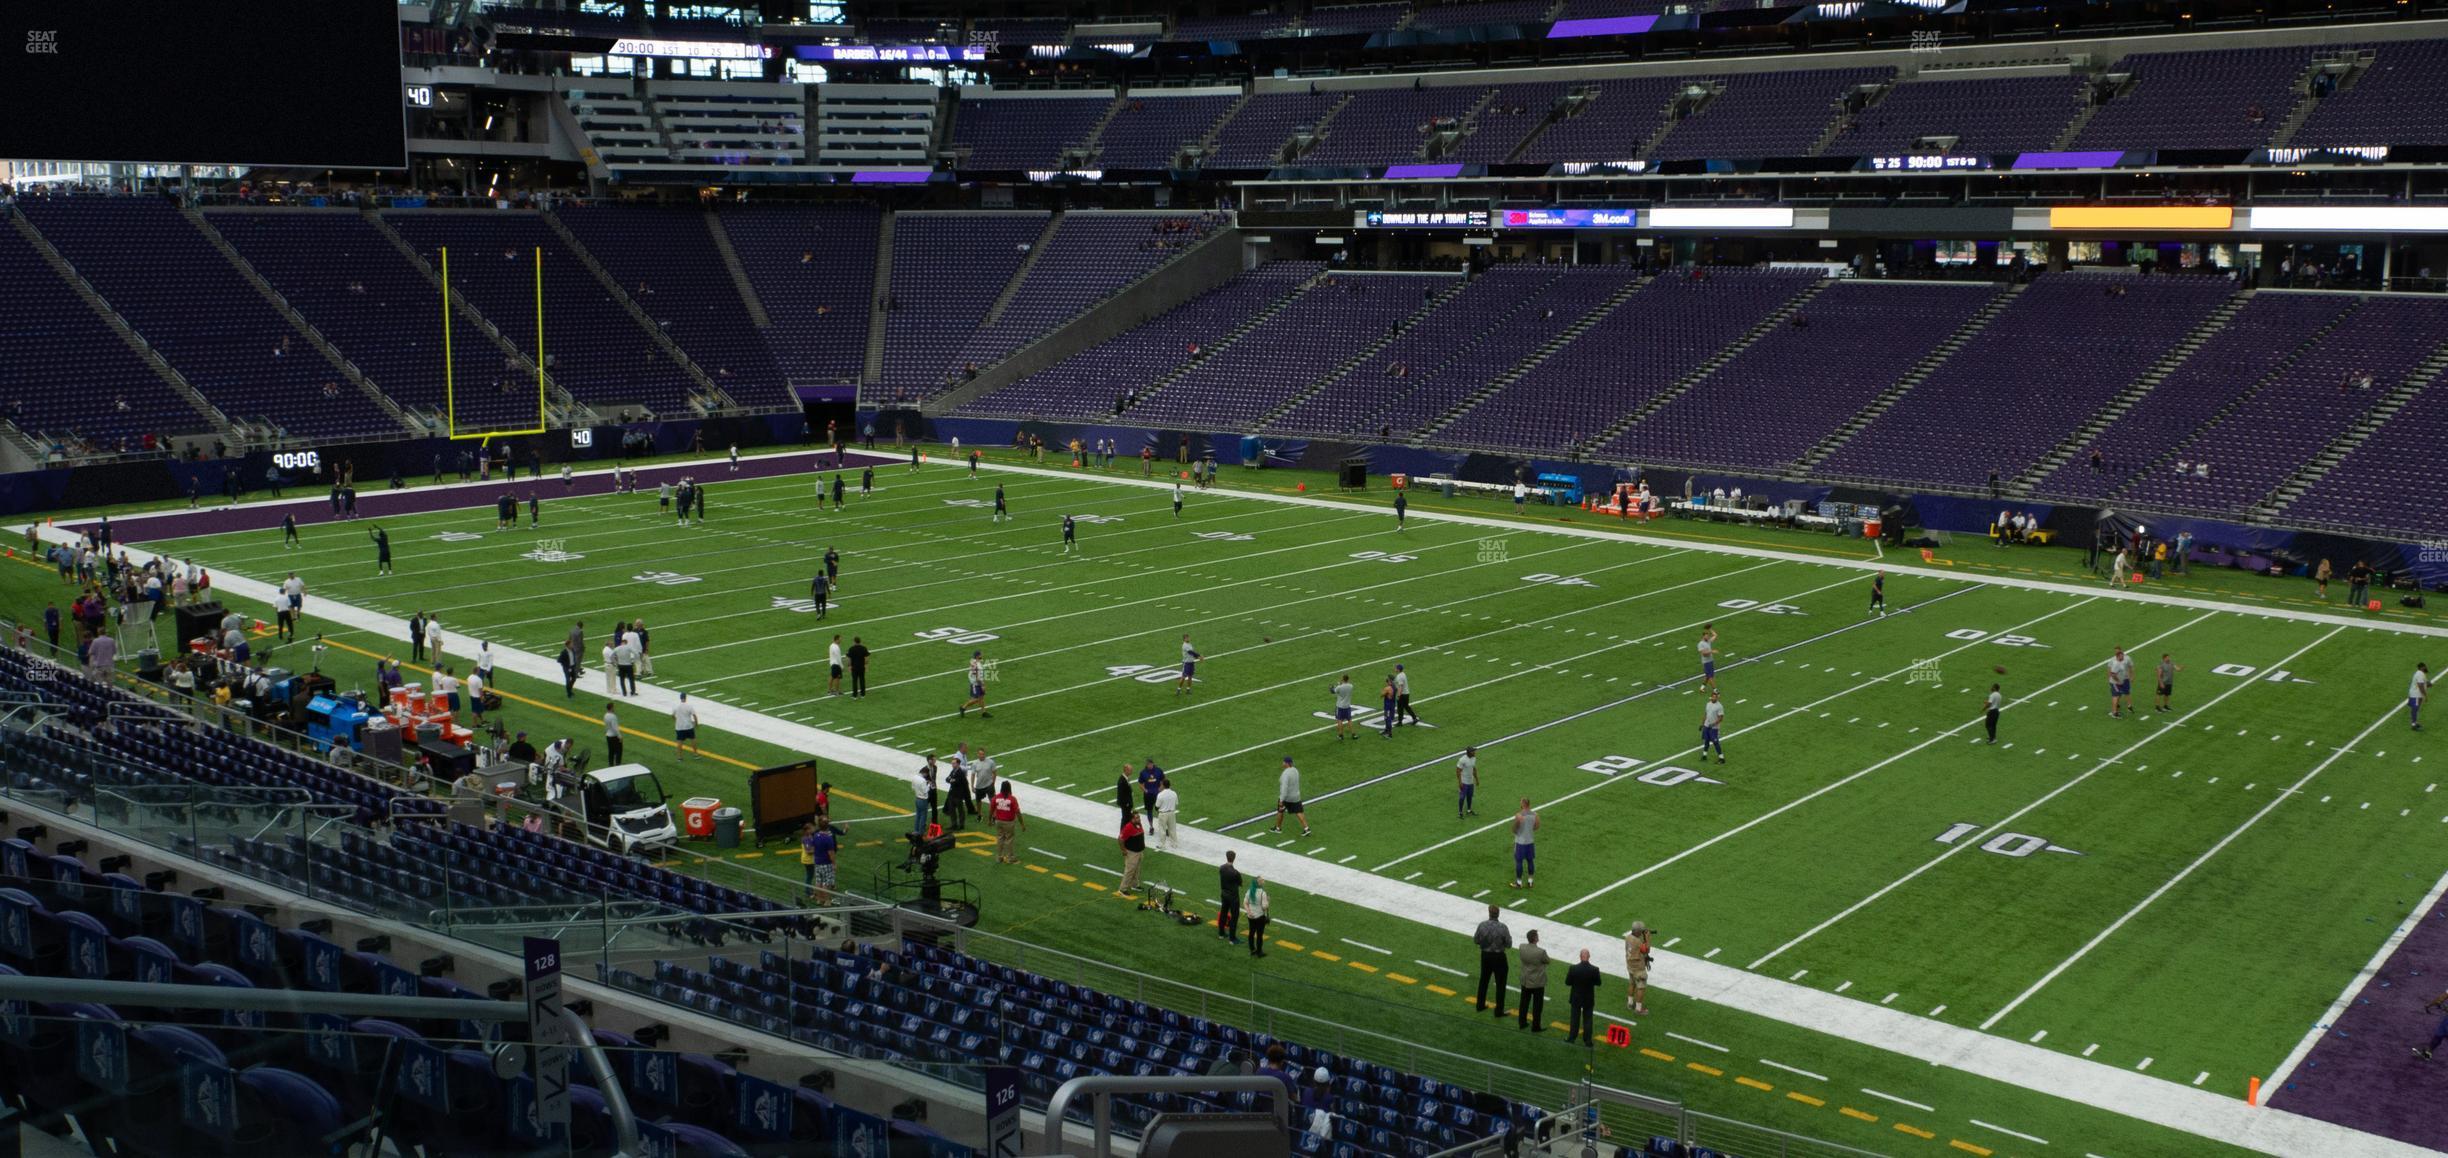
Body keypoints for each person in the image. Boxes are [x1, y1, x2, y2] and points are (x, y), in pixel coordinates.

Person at [1473, 904, 1512, 1016]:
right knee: (1500, 984)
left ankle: (1480, 1005)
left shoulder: (1482, 925)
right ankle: (1499, 1010)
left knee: (1483, 981)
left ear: (1489, 913)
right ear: (1498, 914)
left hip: (1485, 956)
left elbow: (1476, 940)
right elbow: (1509, 944)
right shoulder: (1503, 927)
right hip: (1499, 957)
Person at [1563, 950, 1603, 1044]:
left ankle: (1572, 1038)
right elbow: (1598, 983)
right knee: (1588, 1020)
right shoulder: (1594, 969)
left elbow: (1567, 982)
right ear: (1589, 956)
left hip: (1576, 998)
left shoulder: (1573, 968)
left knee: (1574, 1019)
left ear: (1580, 956)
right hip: (1588, 998)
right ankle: (1588, 1040)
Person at [1516, 930, 1550, 1031]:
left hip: (1525, 980)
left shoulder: (1522, 947)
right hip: (1537, 982)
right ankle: (1536, 1026)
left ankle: (1522, 1022)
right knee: (1537, 1006)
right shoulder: (1541, 952)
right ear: (1535, 938)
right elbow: (1548, 961)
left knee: (1524, 1003)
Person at [801, 821, 837, 903]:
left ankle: (819, 899)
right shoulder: (807, 838)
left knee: (818, 880)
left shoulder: (814, 836)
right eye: (812, 828)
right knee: (821, 880)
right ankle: (826, 900)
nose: (814, 829)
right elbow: (808, 851)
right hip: (810, 861)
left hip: (816, 861)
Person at [1273, 756, 1310, 836]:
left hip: (1287, 797)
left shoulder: (1286, 773)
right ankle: (1306, 828)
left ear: (1286, 763)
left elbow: (1284, 787)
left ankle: (1278, 828)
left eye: (1283, 762)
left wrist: (1281, 800)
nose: (1282, 763)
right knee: (1299, 812)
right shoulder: (1295, 770)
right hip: (1296, 795)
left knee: (1280, 810)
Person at [989, 781, 1024, 862]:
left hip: (998, 821)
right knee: (1009, 839)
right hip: (1009, 822)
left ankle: (999, 857)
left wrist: (989, 820)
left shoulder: (996, 797)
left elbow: (991, 809)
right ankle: (1009, 857)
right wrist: (1022, 824)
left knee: (1000, 838)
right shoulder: (1012, 799)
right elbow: (1017, 812)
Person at [1510, 798, 1539, 889]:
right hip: (1530, 841)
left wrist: (1517, 824)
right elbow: (1537, 826)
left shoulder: (1519, 815)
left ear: (1523, 804)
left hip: (1520, 842)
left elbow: (1514, 829)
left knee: (1519, 862)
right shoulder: (1535, 815)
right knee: (1530, 861)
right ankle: (1530, 881)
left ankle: (1519, 883)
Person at [1624, 922, 1652, 1014]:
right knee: (1641, 987)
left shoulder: (1628, 937)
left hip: (1630, 965)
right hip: (1638, 968)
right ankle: (1638, 1009)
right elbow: (1646, 950)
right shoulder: (1637, 941)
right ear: (1638, 931)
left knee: (1632, 984)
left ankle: (1630, 1003)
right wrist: (1648, 938)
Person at [1118, 810, 1146, 896]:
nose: (1139, 818)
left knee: (1137, 870)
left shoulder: (1138, 824)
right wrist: (1123, 850)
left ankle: (1134, 885)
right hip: (1132, 853)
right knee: (1129, 871)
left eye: (1139, 817)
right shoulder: (1128, 827)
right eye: (1137, 817)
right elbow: (1120, 839)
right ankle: (1122, 889)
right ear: (1132, 819)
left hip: (1139, 852)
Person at [1217, 850, 1243, 942]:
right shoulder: (1235, 873)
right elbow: (1240, 883)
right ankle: (1232, 938)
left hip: (1224, 894)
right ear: (1234, 859)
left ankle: (1221, 933)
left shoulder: (1222, 868)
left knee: (1223, 913)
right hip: (1233, 897)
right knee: (1234, 916)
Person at [1244, 875, 1270, 957]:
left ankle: (1252, 949)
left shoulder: (1249, 891)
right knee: (1259, 935)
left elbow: (1245, 903)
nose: (1263, 881)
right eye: (1262, 880)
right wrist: (1268, 901)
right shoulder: (1263, 893)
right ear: (1259, 883)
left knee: (1251, 933)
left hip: (1250, 916)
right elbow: (1264, 906)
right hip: (1259, 916)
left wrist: (1249, 912)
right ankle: (1259, 952)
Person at [960, 650, 991, 718]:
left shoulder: (975, 662)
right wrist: (982, 685)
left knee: (981, 698)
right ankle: (963, 707)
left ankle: (984, 712)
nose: (982, 655)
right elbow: (977, 677)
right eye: (980, 655)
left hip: (977, 681)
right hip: (976, 683)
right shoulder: (976, 664)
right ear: (977, 656)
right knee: (976, 699)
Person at [2107, 647, 2134, 719]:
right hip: (2115, 683)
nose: (2123, 656)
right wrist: (2118, 681)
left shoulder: (2121, 662)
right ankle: (2114, 712)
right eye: (2121, 655)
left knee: (2118, 696)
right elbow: (2112, 674)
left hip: (2120, 682)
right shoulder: (2116, 664)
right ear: (2118, 656)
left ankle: (2115, 711)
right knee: (2115, 697)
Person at [911, 759, 936, 835]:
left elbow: (913, 787)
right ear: (925, 773)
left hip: (917, 798)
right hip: (923, 800)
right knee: (923, 816)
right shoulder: (923, 781)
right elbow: (925, 791)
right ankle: (921, 832)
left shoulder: (914, 777)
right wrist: (928, 784)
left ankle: (916, 830)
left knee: (918, 815)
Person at [1701, 690, 1726, 764]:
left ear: (1717, 698)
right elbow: (1705, 714)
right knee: (1706, 741)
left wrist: (1714, 724)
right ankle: (1704, 756)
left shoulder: (1719, 706)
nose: (1714, 698)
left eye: (1715, 697)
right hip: (1706, 725)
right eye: (1713, 696)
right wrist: (1702, 724)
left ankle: (1721, 758)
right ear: (1711, 696)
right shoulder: (1708, 704)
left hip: (1714, 728)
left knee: (1715, 742)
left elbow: (1721, 718)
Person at [1155, 778, 1180, 850]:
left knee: (1162, 829)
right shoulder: (1174, 793)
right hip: (1172, 813)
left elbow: (1156, 807)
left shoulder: (1160, 795)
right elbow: (1176, 803)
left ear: (1163, 785)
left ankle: (1162, 845)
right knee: (1172, 829)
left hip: (1163, 814)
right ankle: (1174, 844)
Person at [673, 692, 699, 757]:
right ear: (685, 698)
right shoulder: (689, 706)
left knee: (679, 742)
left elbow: (672, 715)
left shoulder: (676, 706)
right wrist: (696, 723)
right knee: (693, 739)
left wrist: (677, 720)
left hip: (679, 727)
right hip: (688, 726)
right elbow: (694, 716)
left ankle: (679, 757)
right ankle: (695, 753)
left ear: (680, 698)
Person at [1331, 674, 1356, 740]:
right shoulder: (1351, 686)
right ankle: (1353, 734)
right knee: (1349, 720)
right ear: (1348, 679)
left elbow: (1333, 691)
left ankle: (1340, 735)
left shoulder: (1339, 687)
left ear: (1342, 679)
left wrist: (1332, 687)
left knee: (1340, 720)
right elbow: (1344, 687)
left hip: (1340, 706)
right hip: (1347, 706)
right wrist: (1340, 684)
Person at [1456, 746, 1479, 818]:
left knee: (1470, 796)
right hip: (1464, 781)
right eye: (1473, 751)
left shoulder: (1474, 758)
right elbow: (1458, 771)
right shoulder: (1462, 760)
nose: (1475, 752)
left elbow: (1474, 769)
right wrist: (1460, 782)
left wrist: (1476, 779)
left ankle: (1469, 810)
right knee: (1462, 797)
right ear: (1469, 752)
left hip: (1470, 781)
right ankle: (1460, 812)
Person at [2412, 662, 2432, 732]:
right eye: (2425, 667)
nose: (2426, 668)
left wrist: (2428, 684)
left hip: (2417, 694)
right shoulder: (2420, 674)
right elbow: (2420, 686)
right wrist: (2425, 695)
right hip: (2416, 694)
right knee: (2415, 709)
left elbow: (2425, 683)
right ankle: (2414, 725)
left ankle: (2415, 722)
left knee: (2416, 709)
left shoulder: (2422, 674)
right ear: (2421, 667)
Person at [1698, 624, 1718, 690]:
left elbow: (1715, 635)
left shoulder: (1708, 641)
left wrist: (1710, 629)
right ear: (1703, 636)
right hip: (1706, 662)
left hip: (1711, 660)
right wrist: (1712, 651)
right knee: (1710, 677)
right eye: (1706, 636)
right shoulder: (1700, 644)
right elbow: (1703, 654)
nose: (1708, 637)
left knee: (1708, 676)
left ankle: (1702, 687)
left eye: (1708, 636)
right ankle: (1715, 690)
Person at [1379, 672, 1398, 739]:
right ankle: (1386, 730)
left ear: (1390, 680)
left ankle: (1390, 734)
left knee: (1388, 719)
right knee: (1388, 718)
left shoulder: (1387, 688)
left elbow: (1381, 695)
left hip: (1388, 705)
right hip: (1392, 704)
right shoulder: (1395, 686)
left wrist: (1384, 691)